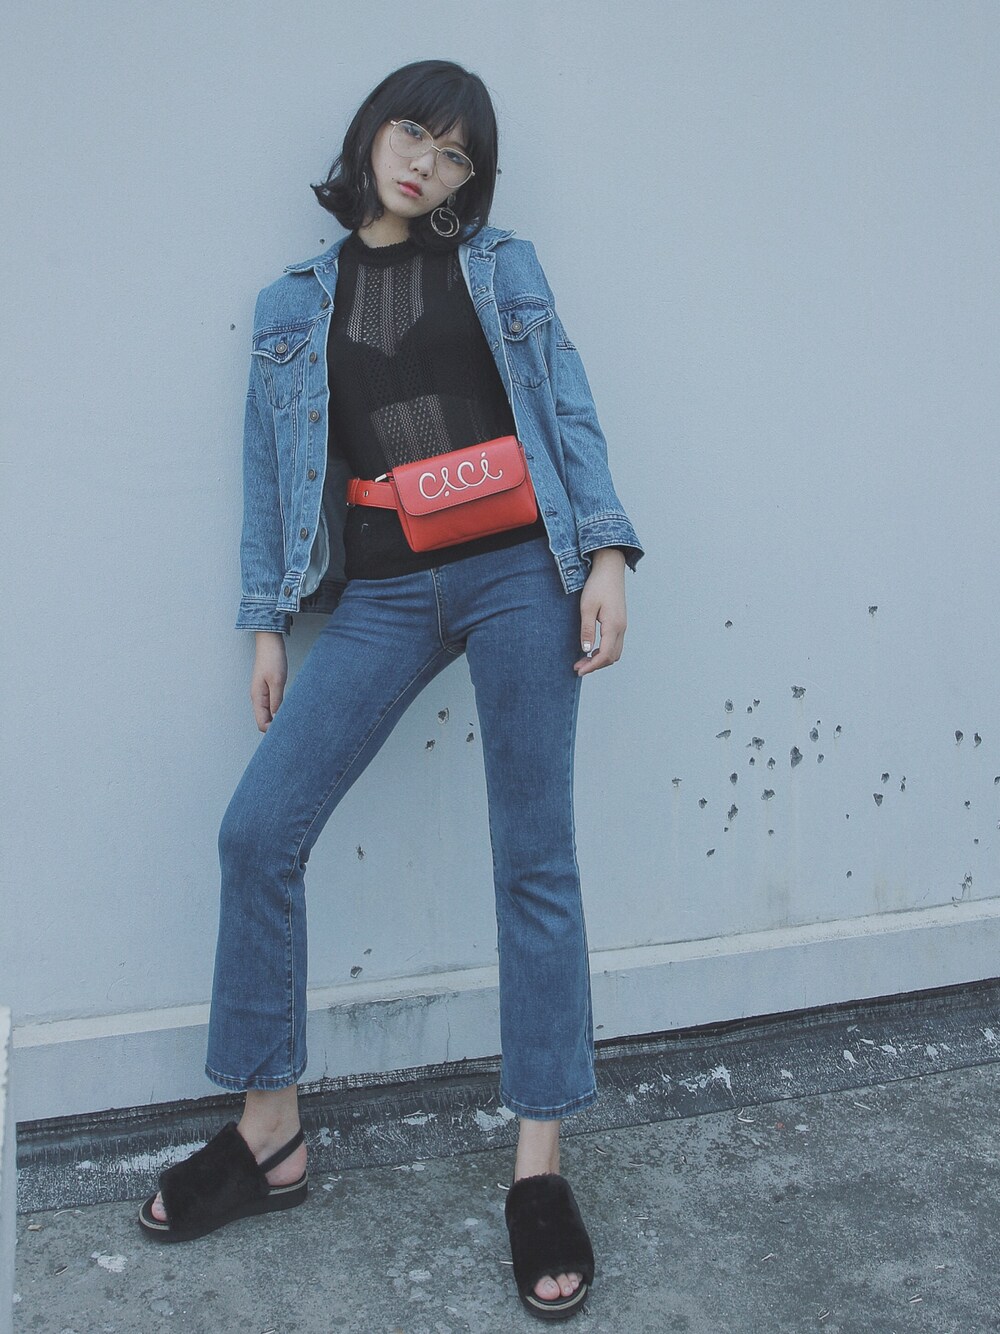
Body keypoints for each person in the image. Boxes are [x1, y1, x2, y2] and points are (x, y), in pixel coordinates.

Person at [137, 59, 643, 1322]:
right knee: (258, 831)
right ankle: (269, 1133)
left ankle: (538, 1169)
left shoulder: (501, 267)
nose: (427, 162)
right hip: (382, 591)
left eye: (457, 153)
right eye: (415, 132)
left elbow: (565, 406)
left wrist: (606, 554)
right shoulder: (289, 303)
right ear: (372, 133)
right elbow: (268, 477)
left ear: (474, 177)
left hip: (520, 574)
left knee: (534, 859)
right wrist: (266, 624)